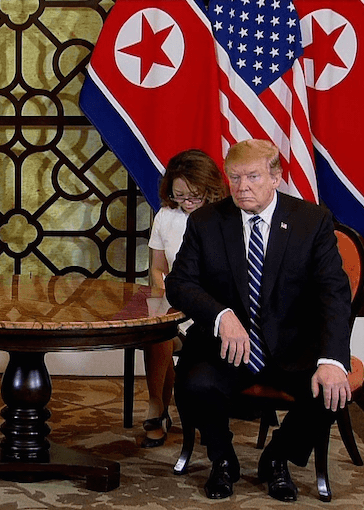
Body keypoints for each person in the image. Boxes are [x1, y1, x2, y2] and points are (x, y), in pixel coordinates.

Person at [165, 139, 352, 502]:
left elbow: (334, 295)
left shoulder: (311, 221)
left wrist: (332, 360)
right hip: (227, 346)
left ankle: (278, 459)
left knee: (331, 392)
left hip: (292, 346)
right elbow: (179, 283)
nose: (242, 186)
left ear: (276, 178)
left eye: (252, 176)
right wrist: (221, 315)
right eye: (234, 177)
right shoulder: (206, 221)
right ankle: (222, 460)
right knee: (194, 383)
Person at [141, 149, 228, 448]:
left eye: (195, 195)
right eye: (180, 196)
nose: (187, 202)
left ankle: (182, 411)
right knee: (157, 335)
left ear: (210, 188)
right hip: (174, 306)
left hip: (210, 312)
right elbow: (157, 268)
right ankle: (157, 408)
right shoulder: (166, 217)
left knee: (167, 337)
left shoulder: (224, 218)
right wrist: (165, 293)